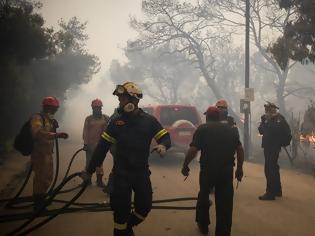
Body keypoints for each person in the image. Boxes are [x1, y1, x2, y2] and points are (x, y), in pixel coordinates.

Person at [81, 82, 171, 236]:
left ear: (134, 100)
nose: (120, 102)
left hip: (141, 174)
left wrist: (163, 146)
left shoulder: (149, 121)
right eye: (119, 99)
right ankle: (122, 231)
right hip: (121, 175)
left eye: (122, 99)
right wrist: (89, 171)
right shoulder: (115, 122)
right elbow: (102, 148)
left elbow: (165, 137)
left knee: (144, 207)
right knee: (120, 214)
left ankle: (128, 228)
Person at [181, 106, 244, 236]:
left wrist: (185, 165)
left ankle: (203, 224)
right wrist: (239, 168)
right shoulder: (232, 130)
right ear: (219, 116)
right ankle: (223, 233)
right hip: (226, 171)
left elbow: (193, 150)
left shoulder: (203, 129)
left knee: (203, 196)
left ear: (207, 117)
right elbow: (240, 149)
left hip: (208, 171)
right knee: (225, 205)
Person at [30, 96, 68, 211]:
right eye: (52, 109)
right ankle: (38, 203)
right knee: (40, 177)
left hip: (47, 153)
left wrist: (53, 126)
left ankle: (42, 198)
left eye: (55, 109)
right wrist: (55, 135)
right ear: (46, 108)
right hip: (39, 153)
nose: (54, 111)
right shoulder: (37, 118)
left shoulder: (49, 120)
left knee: (47, 177)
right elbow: (37, 132)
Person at [258, 102, 291, 200]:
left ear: (273, 109)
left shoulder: (278, 118)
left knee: (270, 169)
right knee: (274, 168)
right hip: (268, 146)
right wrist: (264, 122)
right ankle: (277, 191)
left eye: (268, 109)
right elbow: (261, 130)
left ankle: (270, 193)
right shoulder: (266, 118)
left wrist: (267, 122)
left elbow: (275, 130)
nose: (266, 111)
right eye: (266, 109)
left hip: (273, 146)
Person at [82, 98, 110, 187]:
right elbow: (85, 131)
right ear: (92, 108)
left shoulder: (105, 118)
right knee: (89, 163)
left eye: (99, 108)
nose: (98, 109)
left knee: (99, 163)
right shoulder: (89, 119)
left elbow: (108, 131)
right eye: (96, 108)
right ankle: (87, 181)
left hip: (101, 145)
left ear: (101, 108)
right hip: (90, 145)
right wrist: (85, 143)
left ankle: (99, 181)